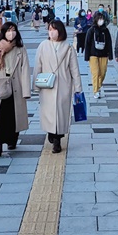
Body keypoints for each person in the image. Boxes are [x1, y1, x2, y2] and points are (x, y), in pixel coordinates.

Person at [0, 22, 31, 156]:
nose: (11, 33)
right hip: (1, 87)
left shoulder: (20, 48)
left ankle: (12, 140)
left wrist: (27, 91)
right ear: (3, 32)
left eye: (13, 30)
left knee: (14, 116)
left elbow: (25, 69)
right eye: (8, 30)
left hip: (16, 87)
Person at [33, 20, 83, 154]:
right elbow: (38, 66)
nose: (51, 32)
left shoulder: (68, 48)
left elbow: (74, 70)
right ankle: (51, 133)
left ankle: (57, 140)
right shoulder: (43, 46)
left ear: (60, 31)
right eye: (49, 29)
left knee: (61, 114)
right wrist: (35, 86)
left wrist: (78, 89)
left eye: (54, 29)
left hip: (63, 86)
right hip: (47, 85)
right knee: (49, 113)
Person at [83, 10, 113, 99]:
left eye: (102, 19)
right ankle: (95, 91)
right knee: (95, 73)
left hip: (104, 54)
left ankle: (98, 86)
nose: (101, 20)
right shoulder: (91, 30)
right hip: (93, 54)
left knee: (102, 73)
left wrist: (110, 55)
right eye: (99, 19)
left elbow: (109, 43)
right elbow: (87, 43)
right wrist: (86, 56)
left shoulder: (106, 30)